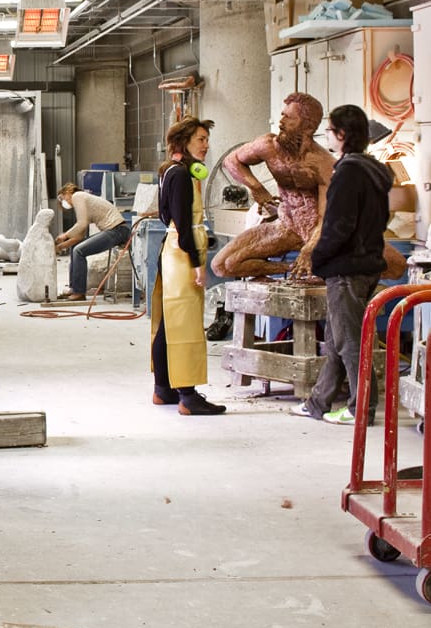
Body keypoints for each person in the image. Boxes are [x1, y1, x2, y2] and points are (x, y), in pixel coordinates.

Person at [292, 104, 392, 426]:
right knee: (337, 340)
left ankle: (361, 408)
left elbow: (339, 224)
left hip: (347, 268)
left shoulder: (348, 172)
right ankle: (317, 403)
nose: (326, 136)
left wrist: (319, 258)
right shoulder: (372, 170)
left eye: (330, 130)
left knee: (350, 342)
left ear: (342, 135)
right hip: (364, 264)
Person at [211, 93, 334, 280]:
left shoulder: (323, 163)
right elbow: (231, 161)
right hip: (285, 226)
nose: (281, 121)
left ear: (307, 127)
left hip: (313, 233)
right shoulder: (269, 146)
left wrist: (310, 248)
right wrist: (257, 188)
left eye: (289, 117)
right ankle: (288, 268)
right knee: (221, 266)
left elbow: (325, 218)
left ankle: (307, 271)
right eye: (282, 115)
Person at [151, 116, 226, 416]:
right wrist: (197, 263)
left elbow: (164, 217)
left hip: (172, 249)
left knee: (169, 323)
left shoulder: (169, 171)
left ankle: (164, 388)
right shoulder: (182, 176)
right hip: (183, 252)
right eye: (200, 140)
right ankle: (188, 395)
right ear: (184, 142)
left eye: (206, 139)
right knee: (186, 324)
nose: (206, 145)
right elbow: (182, 225)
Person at [54, 181, 129, 302]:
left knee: (79, 251)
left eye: (62, 198)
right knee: (76, 247)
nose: (64, 202)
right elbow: (79, 237)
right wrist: (60, 246)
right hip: (115, 230)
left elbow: (81, 224)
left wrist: (65, 235)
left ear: (67, 192)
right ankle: (74, 289)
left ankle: (79, 293)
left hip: (117, 230)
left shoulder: (77, 196)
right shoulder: (83, 202)